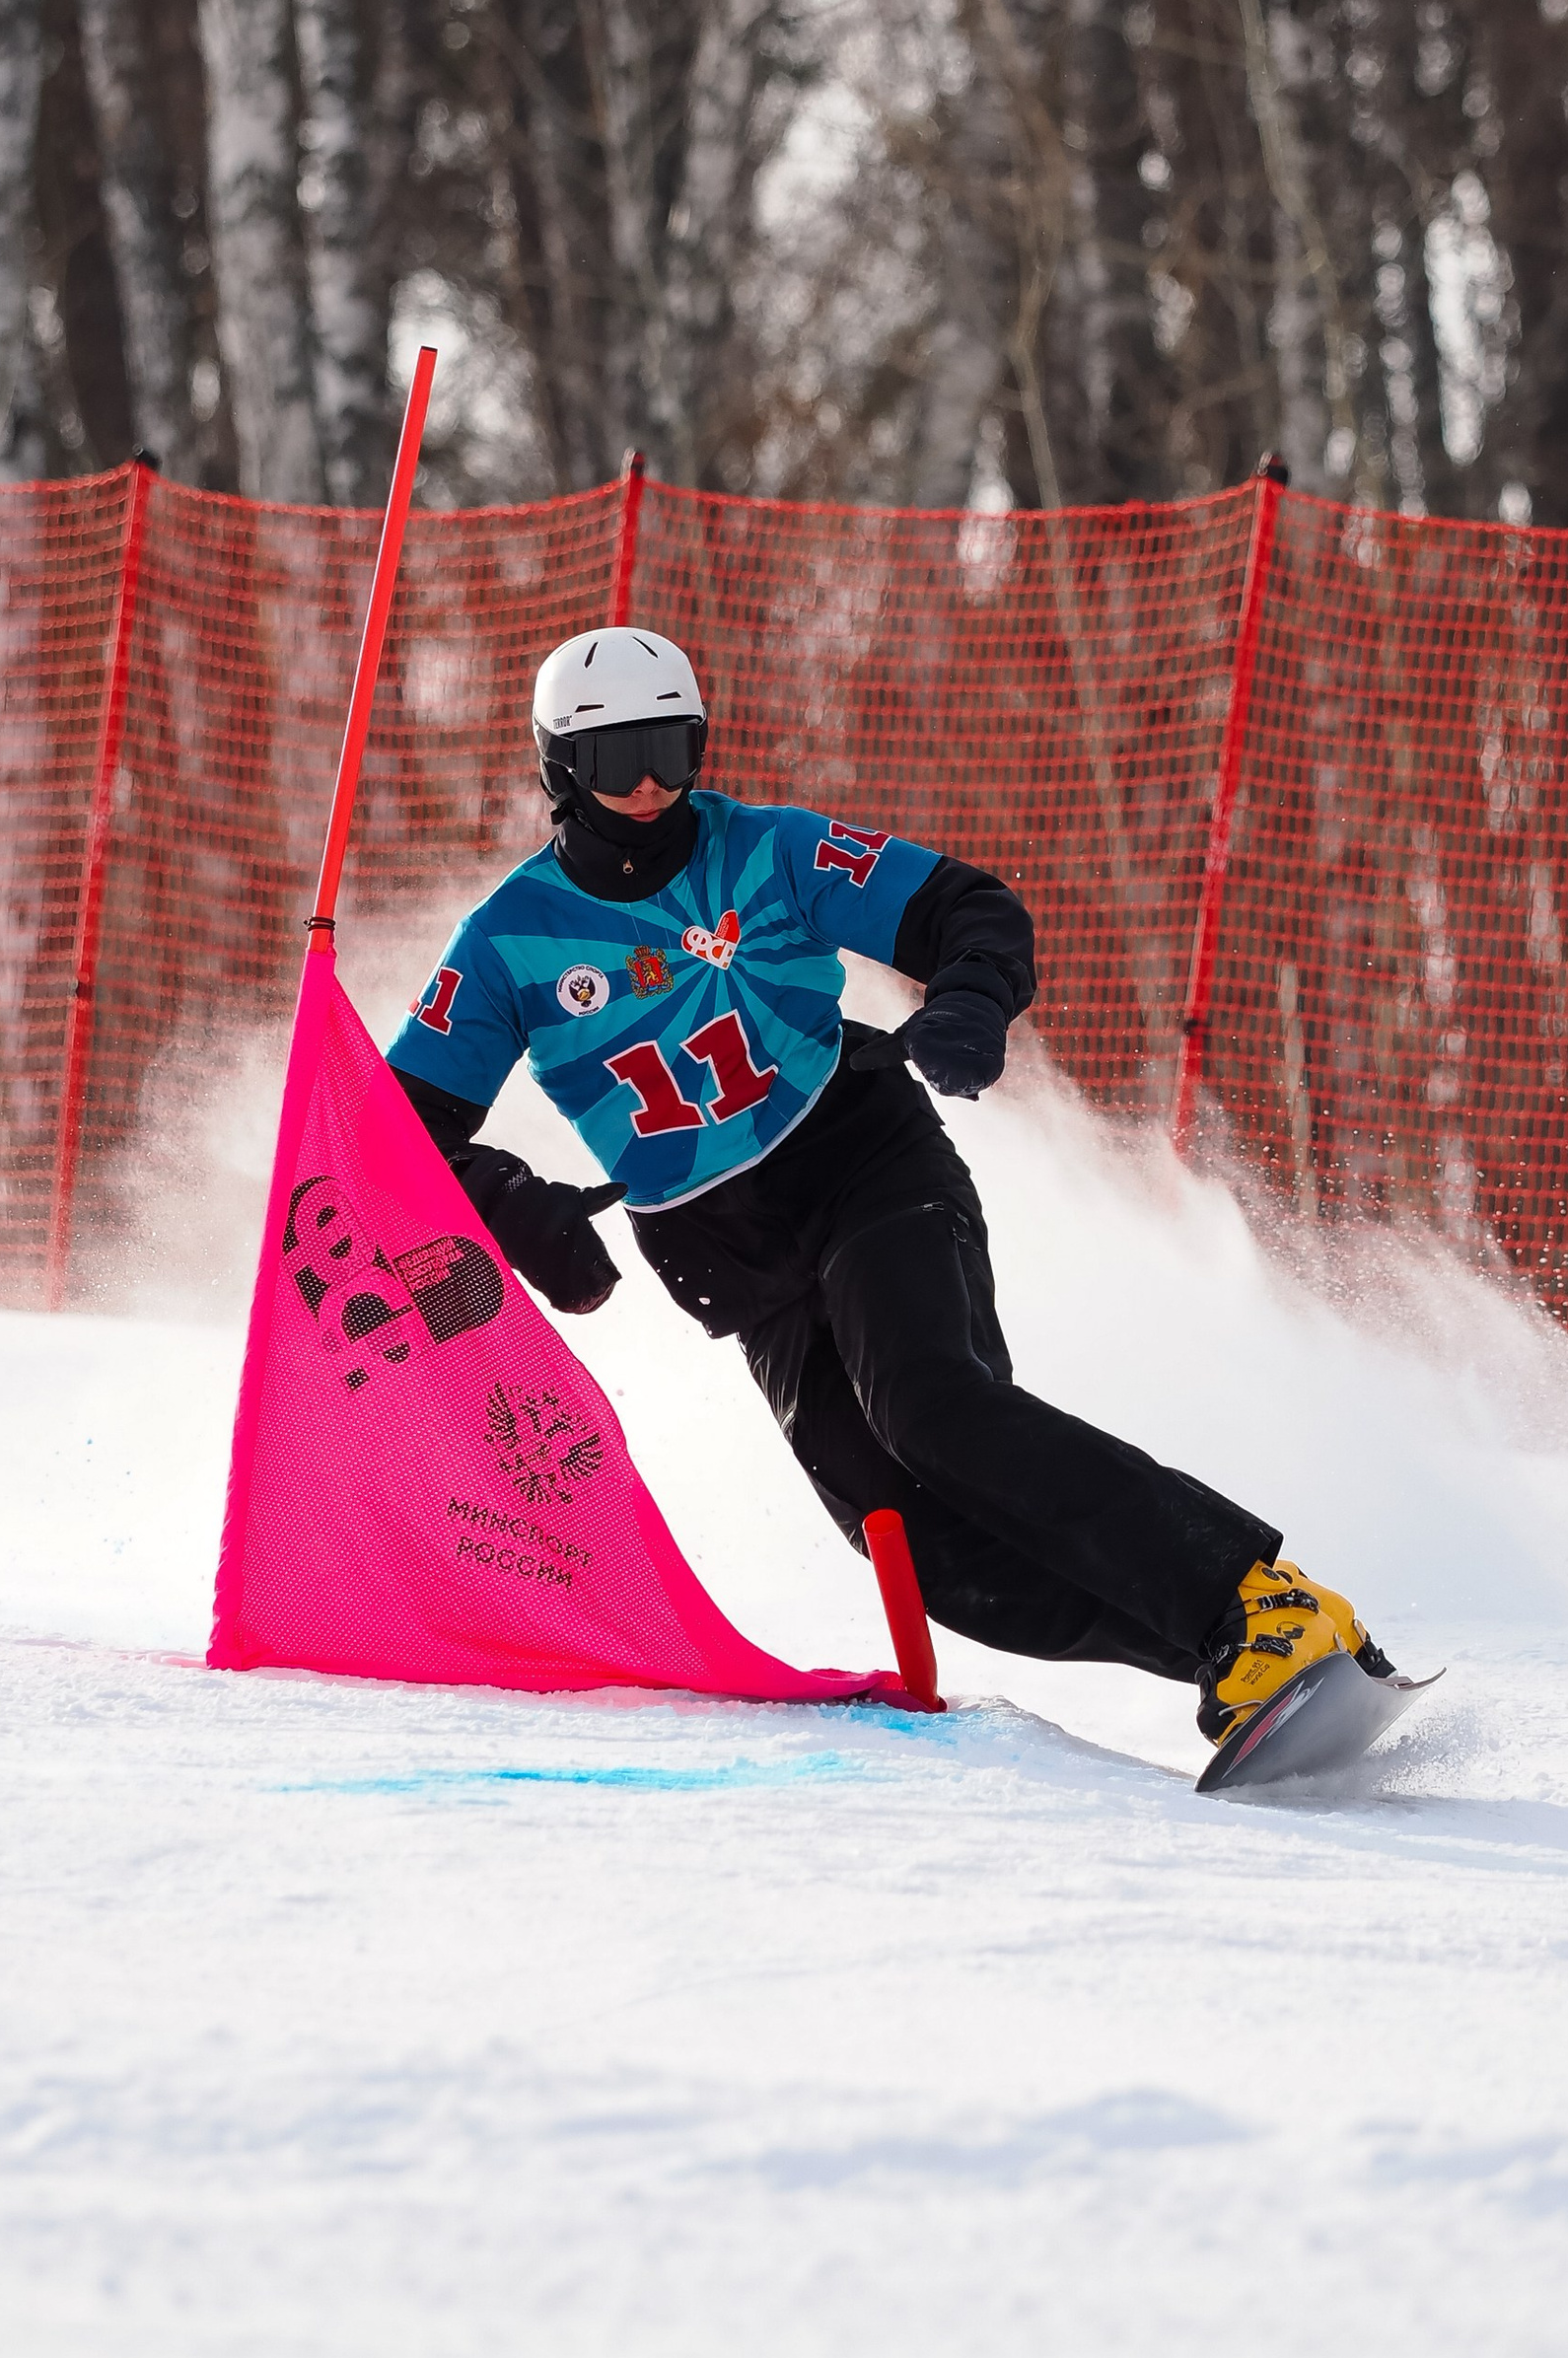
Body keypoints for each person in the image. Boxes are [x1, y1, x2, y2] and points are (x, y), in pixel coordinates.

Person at [387, 624, 1397, 1770]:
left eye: (674, 747)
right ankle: (1242, 1651)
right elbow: (397, 1129)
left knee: (934, 1407)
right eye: (621, 762)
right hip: (734, 1259)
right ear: (562, 769)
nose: (656, 784)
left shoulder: (765, 853)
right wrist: (517, 1207)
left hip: (864, 1167)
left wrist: (968, 1000)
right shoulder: (509, 941)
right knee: (921, 1552)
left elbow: (970, 907)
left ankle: (1256, 1601)